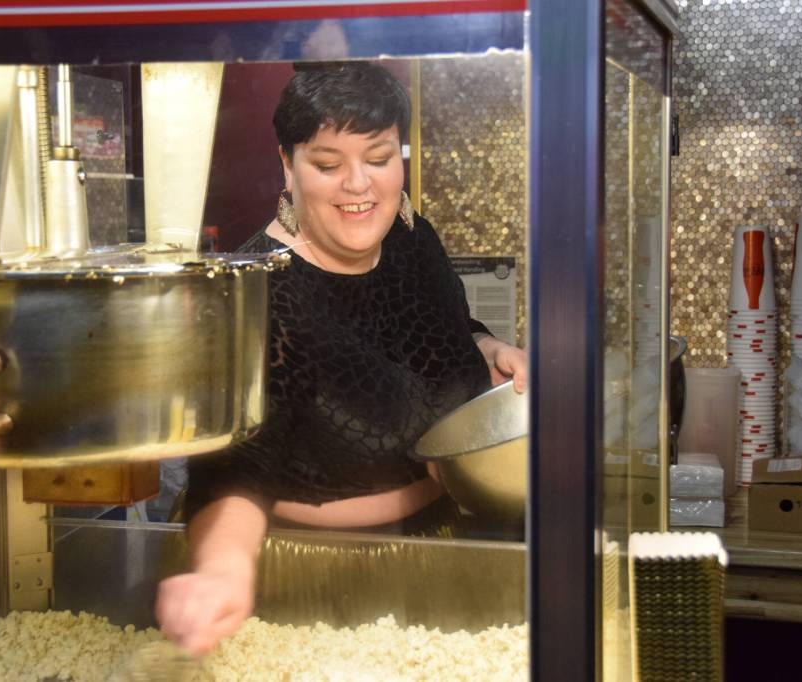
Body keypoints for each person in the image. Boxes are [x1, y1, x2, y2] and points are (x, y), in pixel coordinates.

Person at [155, 61, 527, 655]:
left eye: (378, 159)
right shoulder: (255, 294)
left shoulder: (411, 238)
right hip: (306, 581)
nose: (359, 185)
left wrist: (487, 348)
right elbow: (233, 471)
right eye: (328, 164)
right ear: (287, 163)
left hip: (440, 550)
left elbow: (443, 328)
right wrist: (221, 573)